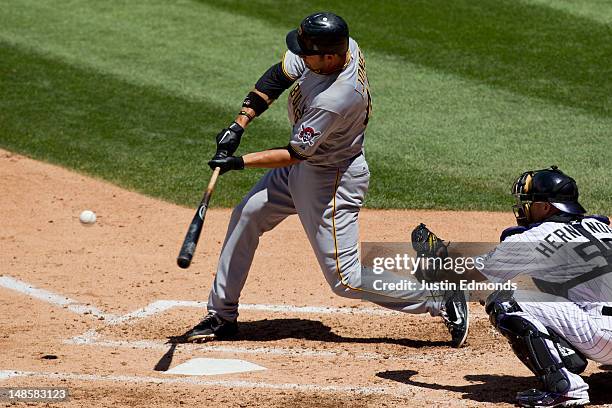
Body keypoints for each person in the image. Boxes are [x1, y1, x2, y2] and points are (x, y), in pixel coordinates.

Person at [184, 12, 469, 348]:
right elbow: (279, 75)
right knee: (248, 214)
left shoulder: (337, 98)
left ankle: (440, 298)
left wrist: (238, 162)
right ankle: (222, 315)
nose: (302, 57)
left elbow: (294, 153)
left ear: (330, 57)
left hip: (329, 179)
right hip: (306, 166)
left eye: (308, 54)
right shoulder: (338, 47)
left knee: (345, 280)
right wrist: (239, 123)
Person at [414, 166, 612, 407]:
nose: (523, 207)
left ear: (546, 207)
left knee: (506, 298)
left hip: (604, 339)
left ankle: (566, 388)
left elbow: (471, 276)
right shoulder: (602, 227)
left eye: (529, 201)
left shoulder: (534, 237)